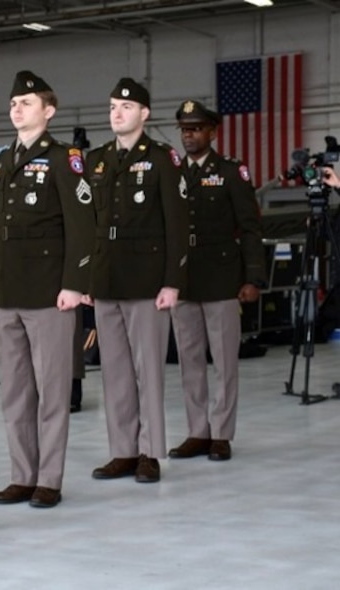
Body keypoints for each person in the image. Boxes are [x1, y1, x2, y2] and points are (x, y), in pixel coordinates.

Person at [0, 71, 95, 508]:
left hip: (51, 293)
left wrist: (75, 284)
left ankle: (48, 479)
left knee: (52, 392)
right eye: (13, 103)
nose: (17, 109)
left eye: (26, 103)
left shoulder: (64, 158)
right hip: (9, 291)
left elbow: (82, 226)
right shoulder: (2, 160)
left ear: (48, 111)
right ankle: (21, 475)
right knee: (15, 391)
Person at [85, 78, 188, 484]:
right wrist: (87, 276)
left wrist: (172, 282)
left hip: (148, 281)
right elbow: (90, 225)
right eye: (112, 106)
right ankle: (122, 451)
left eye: (126, 107)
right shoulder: (96, 161)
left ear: (144, 113)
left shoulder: (163, 159)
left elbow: (178, 226)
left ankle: (149, 452)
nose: (117, 113)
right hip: (107, 279)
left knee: (149, 372)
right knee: (114, 372)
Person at [167, 100, 266, 462]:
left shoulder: (230, 172)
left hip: (223, 277)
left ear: (212, 131)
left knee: (224, 361)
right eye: (184, 128)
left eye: (196, 128)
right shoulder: (173, 173)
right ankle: (198, 431)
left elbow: (252, 228)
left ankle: (221, 433)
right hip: (184, 279)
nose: (188, 134)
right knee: (189, 360)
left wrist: (253, 277)